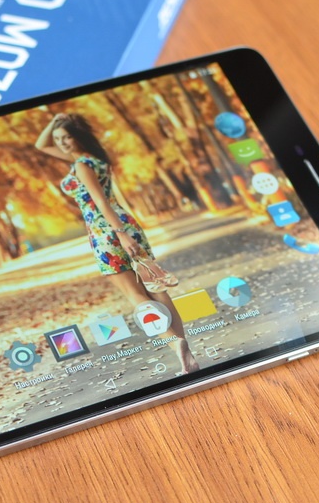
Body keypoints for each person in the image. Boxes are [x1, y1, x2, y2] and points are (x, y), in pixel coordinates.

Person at [35, 113, 200, 373]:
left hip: (106, 230)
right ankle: (186, 354)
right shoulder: (95, 158)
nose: (61, 143)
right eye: (58, 139)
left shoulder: (81, 165)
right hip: (125, 222)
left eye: (66, 137)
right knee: (155, 288)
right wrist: (55, 120)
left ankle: (174, 342)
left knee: (135, 294)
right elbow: (41, 145)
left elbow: (100, 202)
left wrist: (119, 234)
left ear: (77, 137)